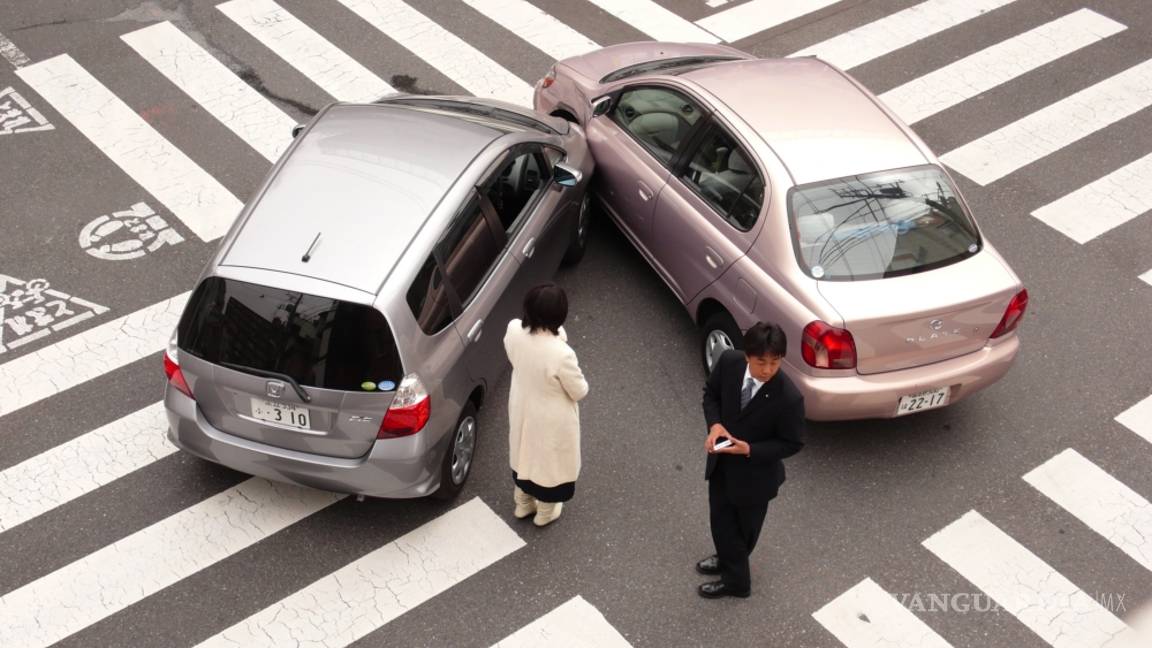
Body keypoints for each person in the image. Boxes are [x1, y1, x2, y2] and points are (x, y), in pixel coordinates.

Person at [697, 322, 805, 598]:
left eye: (775, 362)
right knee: (720, 521)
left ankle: (737, 583)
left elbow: (792, 443)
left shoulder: (789, 398)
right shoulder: (729, 363)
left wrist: (750, 449)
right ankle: (727, 559)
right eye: (761, 362)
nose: (768, 370)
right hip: (722, 464)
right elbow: (711, 395)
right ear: (747, 355)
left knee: (744, 532)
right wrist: (715, 425)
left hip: (756, 478)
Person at [504, 283, 589, 526]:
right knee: (549, 465)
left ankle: (522, 504)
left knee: (523, 454)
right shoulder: (562, 353)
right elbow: (579, 391)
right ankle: (545, 513)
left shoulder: (513, 330)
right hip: (551, 418)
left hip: (522, 405)